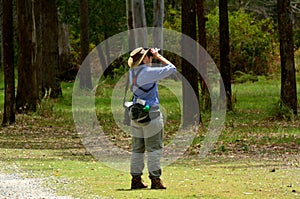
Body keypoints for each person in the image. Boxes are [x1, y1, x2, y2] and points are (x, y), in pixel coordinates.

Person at [127, 47, 177, 189]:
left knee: (137, 149)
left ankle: (135, 180)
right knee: (154, 148)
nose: (151, 57)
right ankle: (155, 180)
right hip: (151, 113)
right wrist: (158, 56)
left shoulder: (132, 72)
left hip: (136, 113)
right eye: (149, 55)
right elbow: (172, 68)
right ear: (145, 59)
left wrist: (151, 57)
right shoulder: (149, 72)